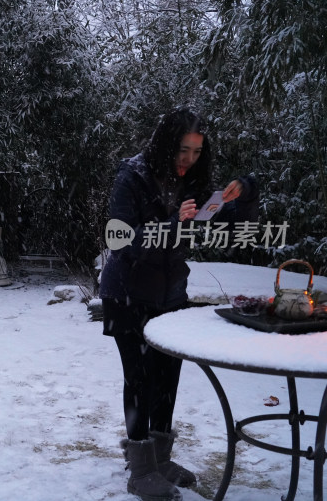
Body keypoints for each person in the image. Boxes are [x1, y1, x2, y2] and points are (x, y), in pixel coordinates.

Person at [99, 107, 258, 501]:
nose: (189, 159)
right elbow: (119, 239)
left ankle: (161, 458)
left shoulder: (193, 184)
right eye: (182, 150)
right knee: (138, 378)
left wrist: (246, 190)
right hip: (128, 294)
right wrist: (173, 226)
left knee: (168, 374)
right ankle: (140, 469)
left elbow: (236, 226)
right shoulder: (132, 177)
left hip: (170, 295)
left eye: (197, 151)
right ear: (166, 144)